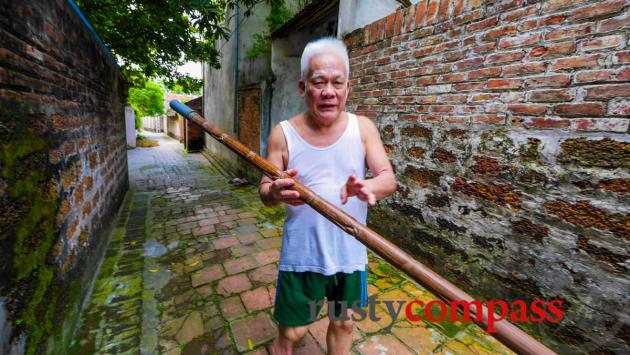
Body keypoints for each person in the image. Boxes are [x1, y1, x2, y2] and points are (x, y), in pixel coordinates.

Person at [258, 37, 397, 355]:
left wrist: (367, 187)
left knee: (344, 324)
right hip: (302, 255)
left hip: (350, 252)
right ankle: (282, 344)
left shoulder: (363, 129)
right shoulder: (283, 133)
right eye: (318, 82)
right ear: (302, 87)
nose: (328, 91)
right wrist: (275, 193)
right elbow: (265, 190)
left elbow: (388, 180)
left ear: (347, 87)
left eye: (336, 82)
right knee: (294, 331)